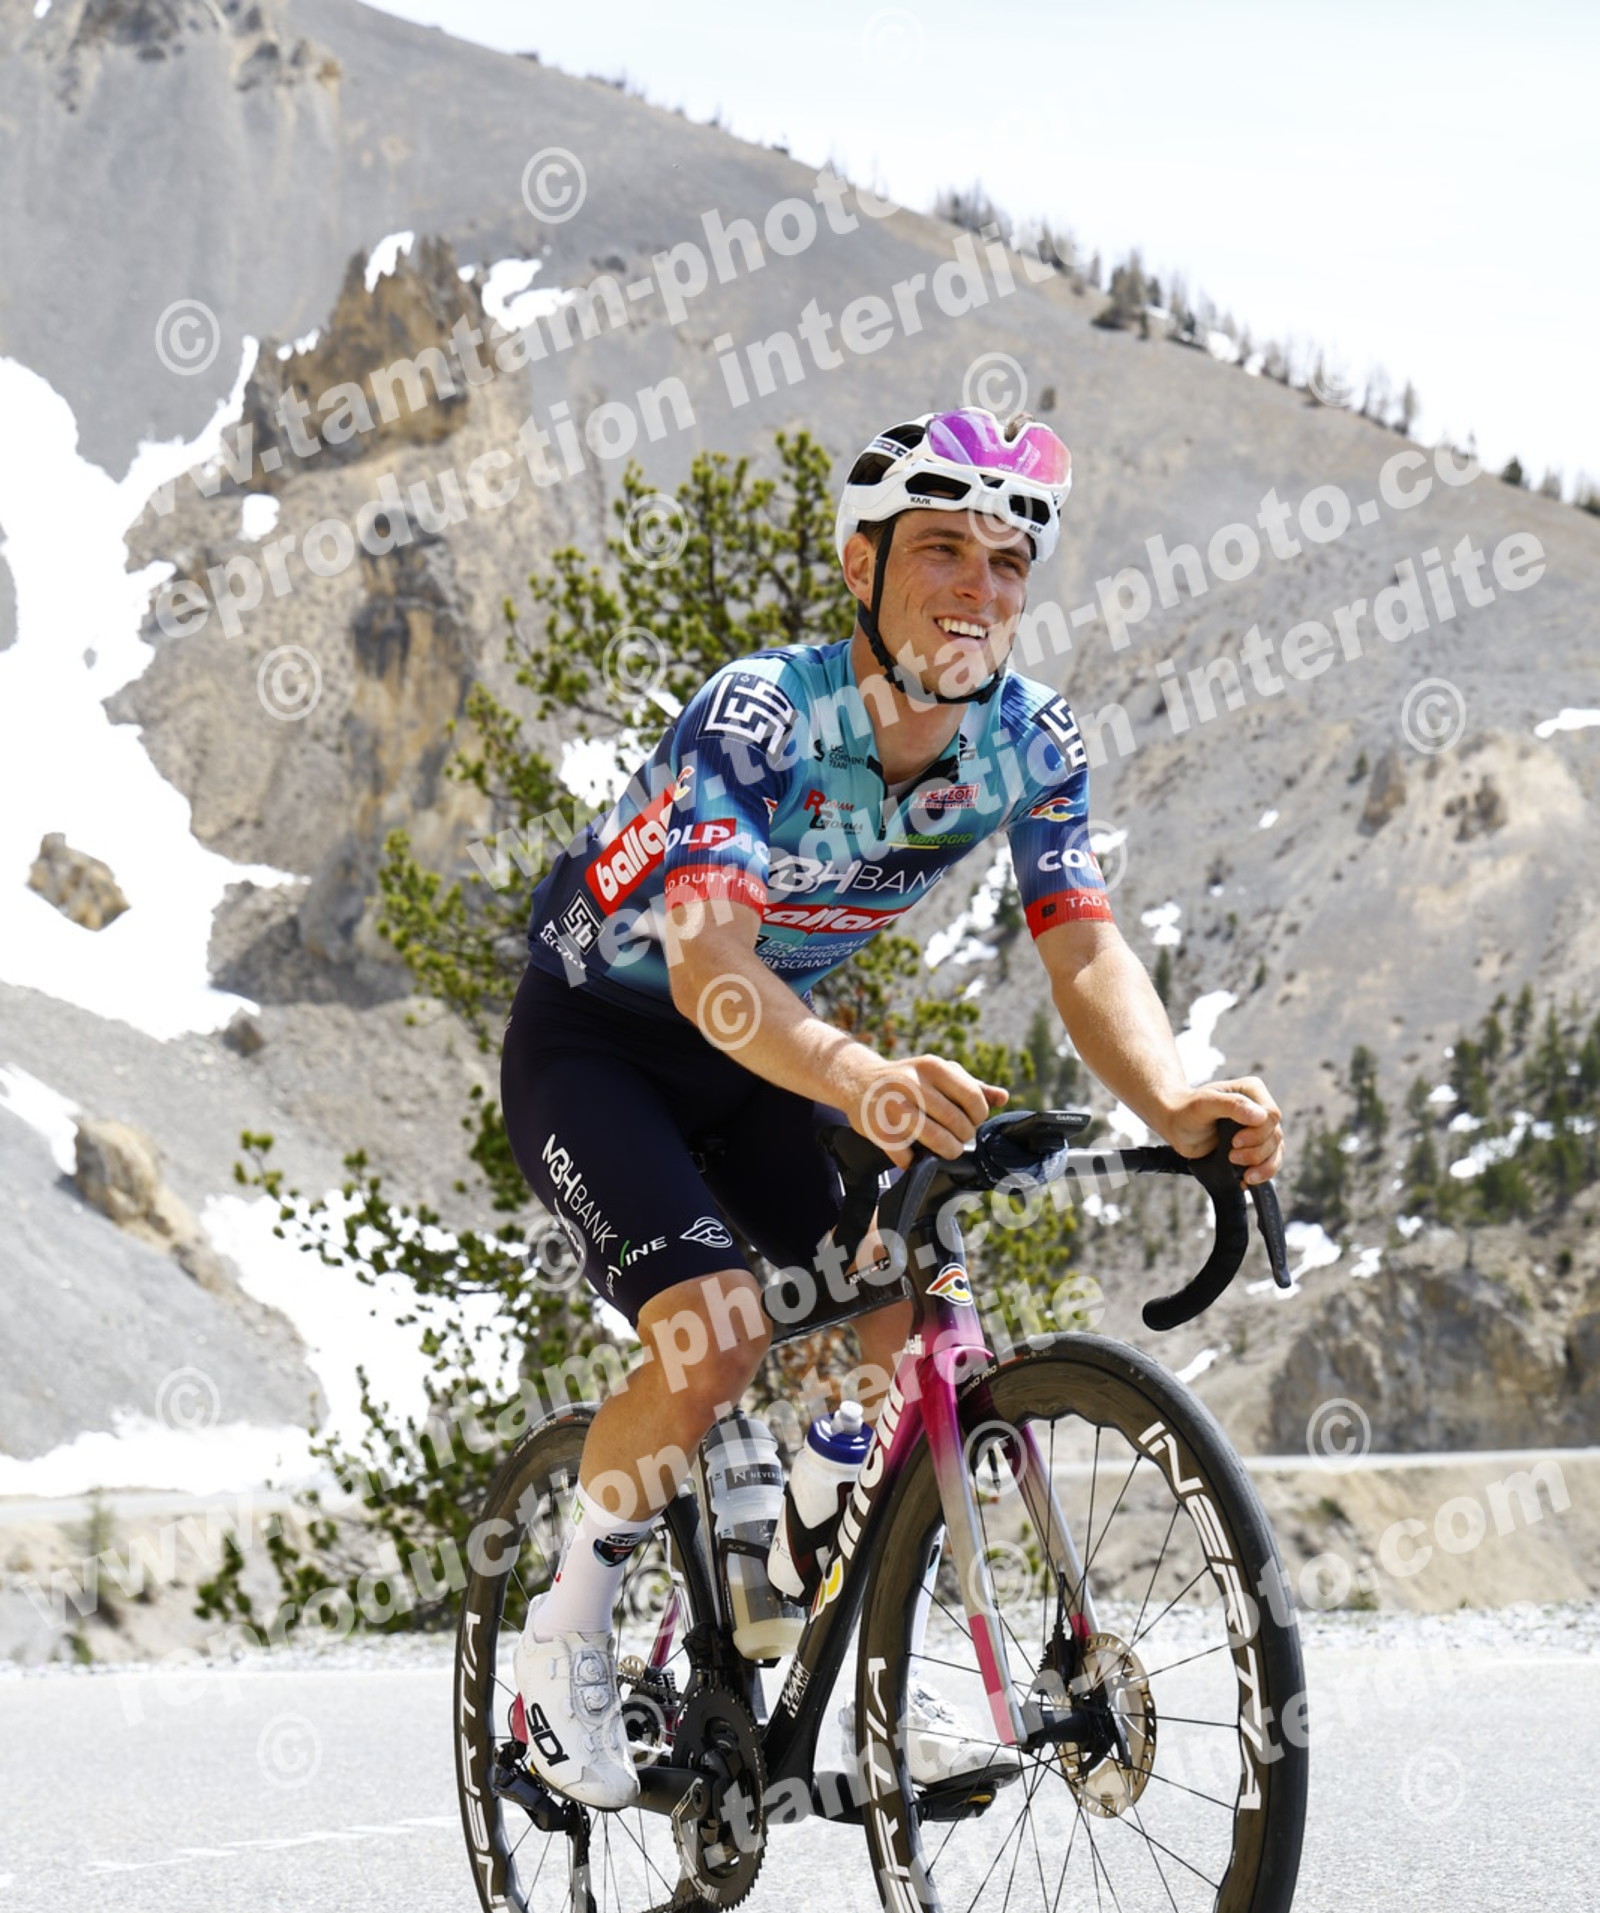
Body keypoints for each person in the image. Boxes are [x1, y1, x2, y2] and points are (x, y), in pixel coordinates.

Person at [501, 407, 1284, 1807]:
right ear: (861, 564)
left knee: (905, 1300)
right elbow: (709, 965)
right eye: (941, 551)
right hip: (603, 1044)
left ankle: (821, 1565)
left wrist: (1172, 1096)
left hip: (763, 1062)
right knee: (715, 1332)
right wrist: (860, 1076)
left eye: (1007, 562)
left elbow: (1081, 943)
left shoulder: (1030, 739)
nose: (978, 588)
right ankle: (559, 1639)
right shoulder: (763, 716)